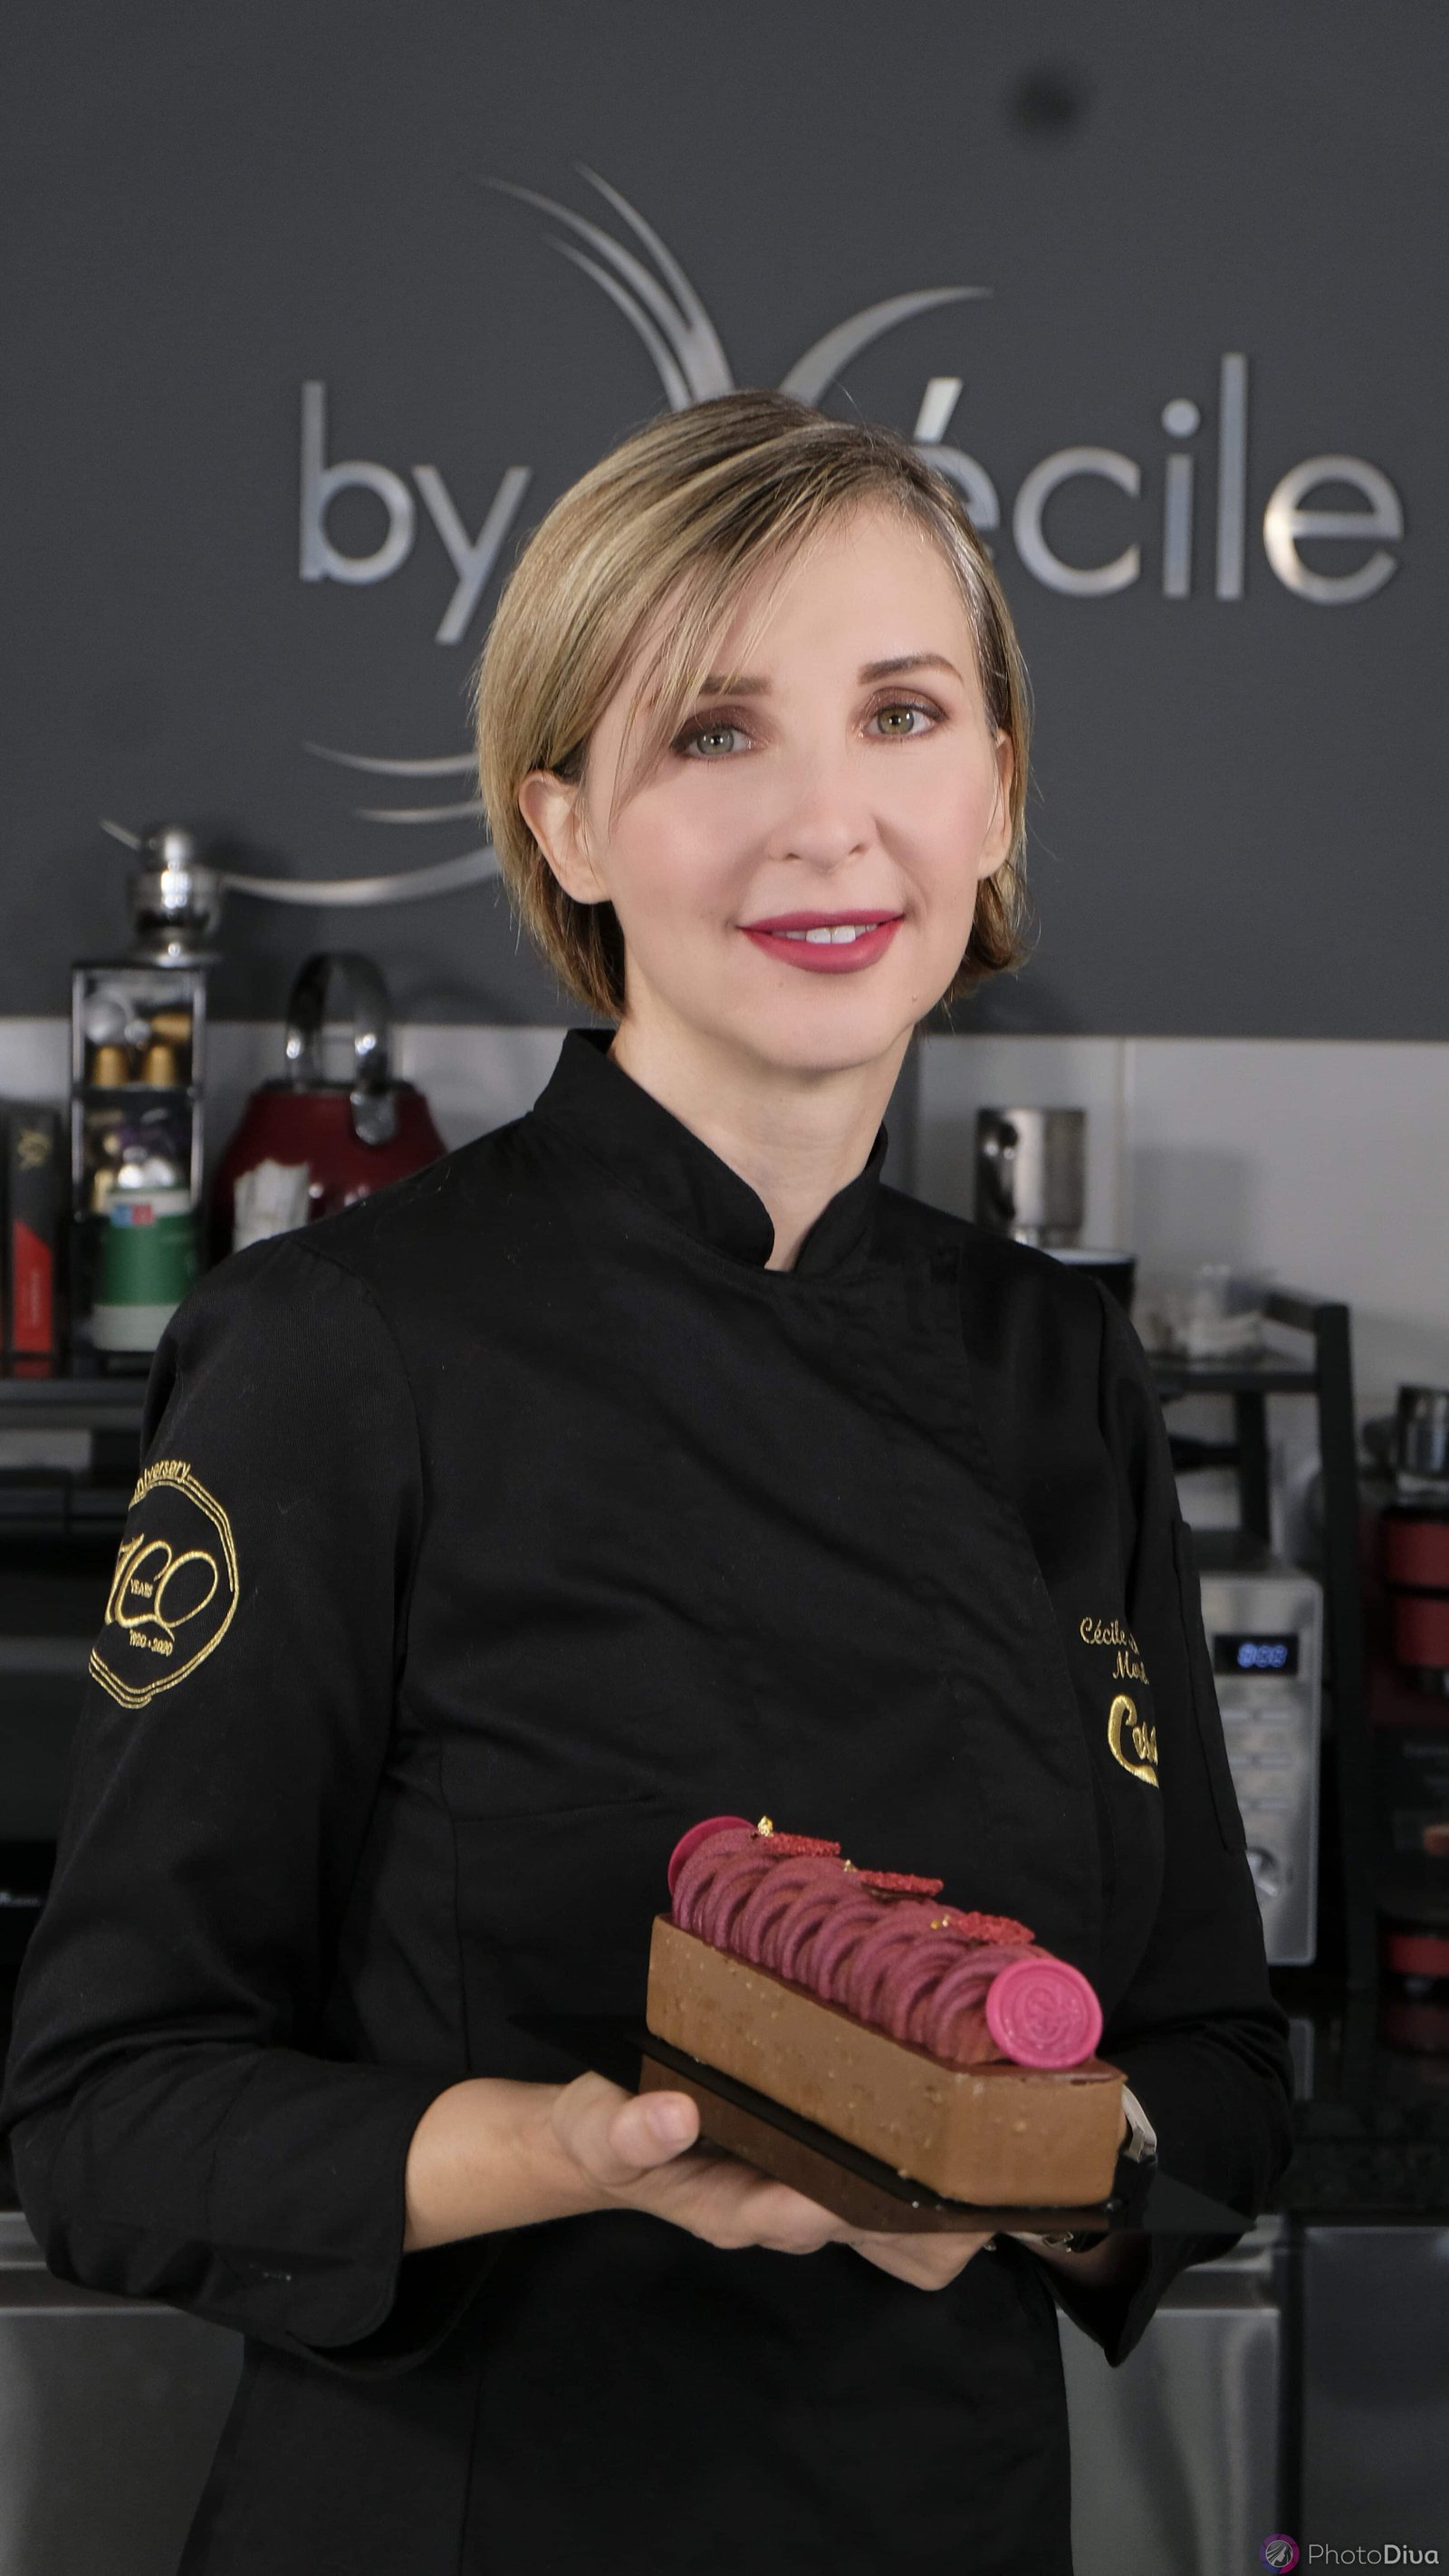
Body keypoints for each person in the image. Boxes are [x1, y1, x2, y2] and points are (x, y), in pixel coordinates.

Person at [1, 391, 1293, 2574]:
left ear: (991, 790)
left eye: (898, 714)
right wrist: (561, 2150)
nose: (826, 821)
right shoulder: (347, 1347)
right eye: (712, 731)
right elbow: (108, 2116)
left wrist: (1010, 2170)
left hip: (939, 2518)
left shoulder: (1048, 1365)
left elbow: (1216, 2065)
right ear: (567, 827)